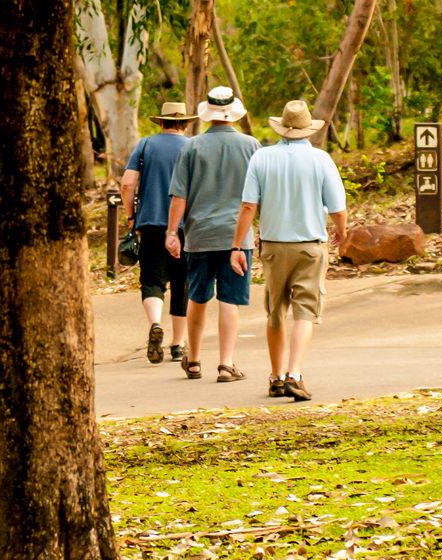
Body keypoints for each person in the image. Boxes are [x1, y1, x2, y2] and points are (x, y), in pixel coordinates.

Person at [231, 100, 347, 402]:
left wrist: (236, 246)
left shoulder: (262, 158)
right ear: (308, 129)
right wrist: (342, 232)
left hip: (272, 246)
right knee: (305, 311)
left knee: (275, 310)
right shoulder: (321, 160)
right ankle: (295, 375)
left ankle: (276, 376)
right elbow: (337, 208)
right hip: (310, 247)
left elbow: (248, 206)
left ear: (282, 128)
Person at [166, 87, 260, 383]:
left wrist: (172, 232)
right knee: (229, 300)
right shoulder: (252, 146)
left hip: (200, 235)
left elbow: (179, 196)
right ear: (233, 112)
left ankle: (193, 360)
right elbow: (259, 196)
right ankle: (226, 364)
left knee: (198, 296)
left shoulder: (191, 147)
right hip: (238, 238)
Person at [121, 103, 196, 365]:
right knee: (182, 282)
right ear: (184, 124)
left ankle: (155, 323)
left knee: (152, 279)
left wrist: (132, 217)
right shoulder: (192, 146)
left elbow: (127, 184)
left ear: (161, 122)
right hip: (187, 224)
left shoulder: (146, 144)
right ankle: (178, 345)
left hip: (151, 223)